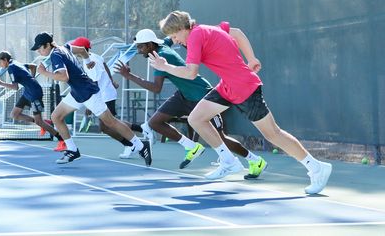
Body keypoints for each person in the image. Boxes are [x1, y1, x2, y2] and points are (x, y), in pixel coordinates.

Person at [150, 11, 331, 194]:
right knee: (196, 118)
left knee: (273, 134)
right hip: (228, 87)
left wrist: (164, 67)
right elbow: (236, 32)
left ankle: (316, 167)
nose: (175, 40)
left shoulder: (196, 36)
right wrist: (251, 58)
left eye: (175, 35)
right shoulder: (205, 29)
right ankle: (228, 161)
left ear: (183, 28)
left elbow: (191, 73)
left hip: (244, 87)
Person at [115, 29, 267, 179]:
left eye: (140, 46)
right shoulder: (163, 45)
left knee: (221, 137)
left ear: (149, 45)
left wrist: (128, 75)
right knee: (155, 122)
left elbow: (156, 88)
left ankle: (254, 161)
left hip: (202, 95)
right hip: (183, 95)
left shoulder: (161, 56)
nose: (138, 50)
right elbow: (170, 38)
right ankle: (192, 146)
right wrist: (174, 29)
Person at [31, 32, 151, 166]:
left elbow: (64, 77)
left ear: (48, 45)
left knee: (110, 122)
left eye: (40, 48)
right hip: (77, 92)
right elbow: (82, 50)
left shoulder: (55, 55)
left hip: (88, 92)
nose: (38, 51)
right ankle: (72, 150)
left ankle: (141, 145)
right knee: (56, 116)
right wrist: (88, 62)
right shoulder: (65, 47)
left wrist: (44, 73)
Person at [69, 37, 145, 159]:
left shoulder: (92, 60)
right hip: (104, 93)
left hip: (105, 95)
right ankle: (139, 132)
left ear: (82, 49)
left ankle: (132, 142)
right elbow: (105, 66)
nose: (74, 50)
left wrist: (91, 102)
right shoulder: (93, 57)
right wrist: (111, 80)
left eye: (77, 47)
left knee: (108, 125)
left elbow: (95, 81)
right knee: (110, 124)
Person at [0, 51, 64, 150]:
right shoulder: (16, 63)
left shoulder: (12, 68)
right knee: (14, 115)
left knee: (39, 121)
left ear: (5, 60)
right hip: (27, 92)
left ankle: (61, 139)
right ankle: (43, 123)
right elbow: (33, 66)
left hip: (35, 93)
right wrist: (31, 79)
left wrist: (0, 82)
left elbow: (15, 87)